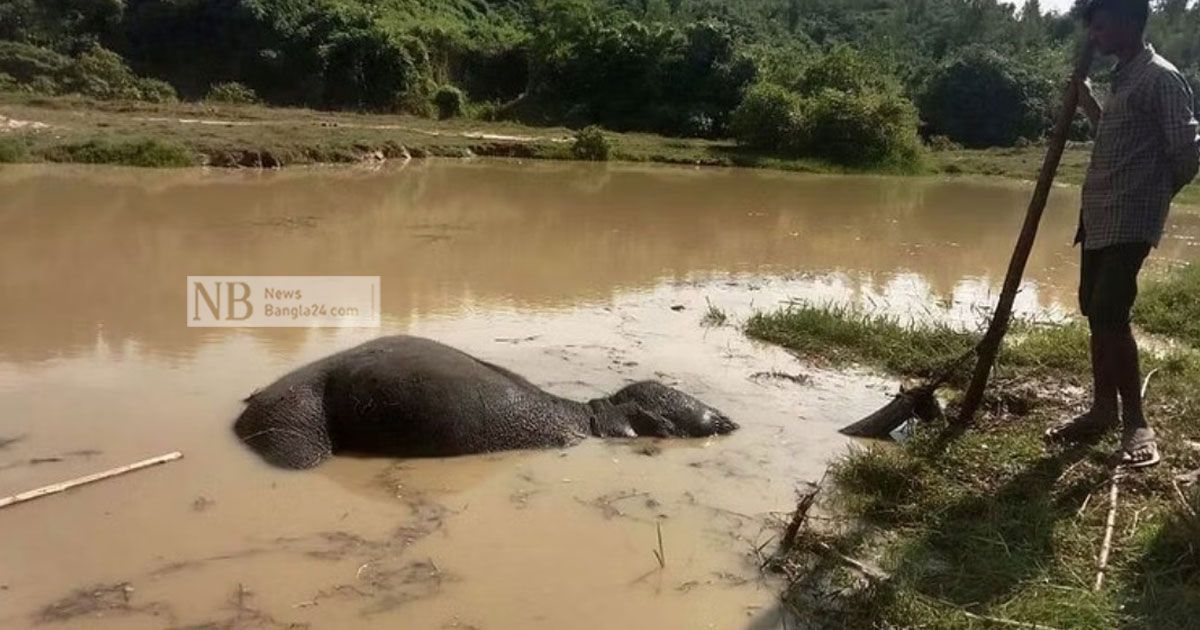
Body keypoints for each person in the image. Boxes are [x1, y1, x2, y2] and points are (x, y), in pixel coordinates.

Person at [1045, 0, 1199, 468]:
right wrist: (1088, 101)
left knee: (1111, 308)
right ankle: (1100, 411)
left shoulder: (1160, 77)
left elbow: (1188, 152)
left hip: (1131, 217)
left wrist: (1154, 193)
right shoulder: (1124, 78)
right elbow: (1120, 134)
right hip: (1099, 213)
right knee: (1093, 308)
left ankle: (1136, 423)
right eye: (1090, 25)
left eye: (1101, 24)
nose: (1094, 33)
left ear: (1131, 22)